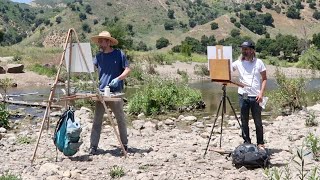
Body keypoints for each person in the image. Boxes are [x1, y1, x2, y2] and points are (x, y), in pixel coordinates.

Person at [89, 31, 131, 154]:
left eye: (102, 41)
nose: (100, 43)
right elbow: (90, 68)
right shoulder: (98, 57)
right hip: (102, 92)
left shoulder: (119, 54)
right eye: (99, 41)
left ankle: (124, 144)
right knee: (97, 120)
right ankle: (93, 146)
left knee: (120, 119)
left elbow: (127, 70)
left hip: (116, 92)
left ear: (109, 42)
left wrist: (118, 78)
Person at [232, 40, 267, 150]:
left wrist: (261, 93)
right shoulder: (238, 62)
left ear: (252, 50)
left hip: (256, 96)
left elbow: (265, 78)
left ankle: (260, 143)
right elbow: (226, 68)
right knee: (244, 120)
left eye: (246, 49)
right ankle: (247, 142)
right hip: (244, 96)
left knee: (258, 121)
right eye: (242, 49)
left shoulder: (259, 62)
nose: (244, 51)